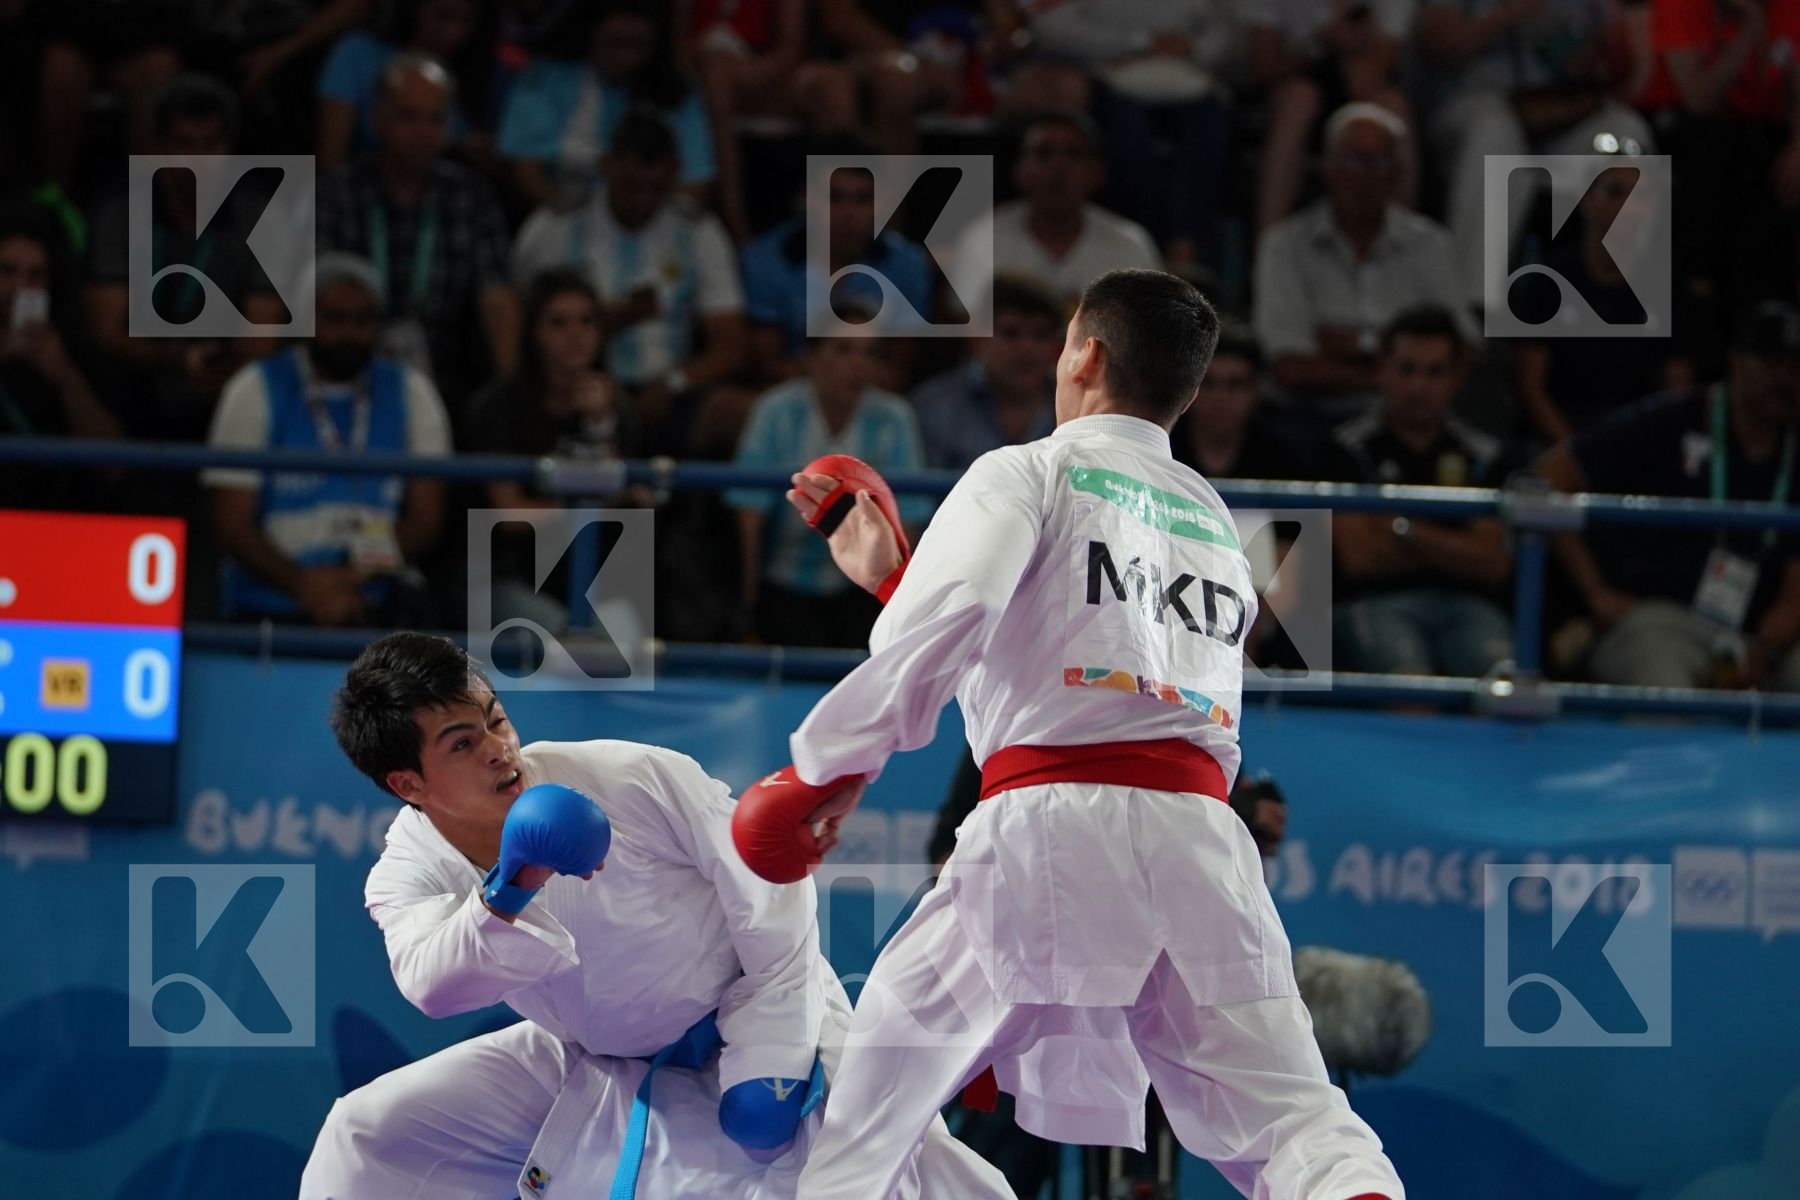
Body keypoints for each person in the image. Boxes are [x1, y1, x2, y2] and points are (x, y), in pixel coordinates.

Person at [735, 268, 1405, 1200]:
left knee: (869, 1117)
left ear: (1084, 355)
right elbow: (1085, 657)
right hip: (1201, 846)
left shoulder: (1026, 470)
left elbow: (964, 616)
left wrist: (830, 767)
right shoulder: (1215, 521)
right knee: (1292, 1116)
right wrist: (900, 582)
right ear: (1188, 393)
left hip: (1049, 830)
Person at [299, 630, 1014, 1200]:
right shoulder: (407, 869)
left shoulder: (623, 776)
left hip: (755, 1011)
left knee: (889, 1171)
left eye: (496, 720)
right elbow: (431, 983)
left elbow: (771, 887)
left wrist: (770, 1049)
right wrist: (511, 886)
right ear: (408, 784)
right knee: (366, 1134)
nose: (498, 750)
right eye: (462, 743)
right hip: (595, 1055)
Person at [1538, 301, 1800, 690]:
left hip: (1760, 637)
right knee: (1664, 679)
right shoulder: (1671, 420)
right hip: (1661, 618)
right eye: (1771, 363)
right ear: (1736, 362)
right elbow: (1548, 477)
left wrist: (1766, 645)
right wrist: (1596, 592)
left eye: (1796, 367)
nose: (1784, 379)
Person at [204, 254, 450, 627]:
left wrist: (350, 578)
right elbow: (231, 523)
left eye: (363, 320)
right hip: (272, 593)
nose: (348, 333)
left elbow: (426, 519)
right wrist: (304, 586)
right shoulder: (254, 387)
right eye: (334, 318)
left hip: (378, 591)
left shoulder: (412, 391)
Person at [513, 110, 746, 457]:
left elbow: (732, 343)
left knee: (741, 413)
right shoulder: (555, 228)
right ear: (607, 166)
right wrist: (606, 321)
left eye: (655, 188)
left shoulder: (699, 231)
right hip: (571, 389)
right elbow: (522, 324)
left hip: (670, 392)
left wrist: (674, 382)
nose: (642, 200)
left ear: (675, 172)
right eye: (630, 186)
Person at [316, 53, 519, 421]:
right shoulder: (336, 193)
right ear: (377, 119)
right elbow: (311, 298)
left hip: (443, 373)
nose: (423, 132)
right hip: (348, 363)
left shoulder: (471, 196)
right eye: (408, 117)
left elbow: (497, 297)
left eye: (436, 119)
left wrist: (514, 392)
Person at [85, 73, 287, 441]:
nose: (198, 160)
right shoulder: (119, 211)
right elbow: (106, 329)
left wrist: (213, 364)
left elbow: (262, 336)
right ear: (158, 147)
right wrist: (180, 358)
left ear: (229, 148)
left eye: (210, 145)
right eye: (184, 145)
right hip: (133, 389)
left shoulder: (262, 214)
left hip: (227, 386)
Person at [1417, 0, 1656, 308]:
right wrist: (1510, 13)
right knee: (1496, 133)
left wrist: (1594, 60)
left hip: (1556, 116)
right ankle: (1475, 305)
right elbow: (1441, 46)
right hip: (1473, 112)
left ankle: (1626, 292)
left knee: (1626, 131)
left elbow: (1619, 67)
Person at [1254, 102, 1474, 435]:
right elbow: (1288, 368)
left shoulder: (1431, 244)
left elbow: (1462, 349)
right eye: (1353, 159)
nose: (1365, 175)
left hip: (1409, 421)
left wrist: (1339, 345)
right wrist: (1401, 369)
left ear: (1396, 172)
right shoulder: (1283, 245)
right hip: (1309, 418)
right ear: (1327, 165)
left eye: (1379, 161)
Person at [1320, 305, 1514, 678]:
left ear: (1456, 377)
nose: (1419, 386)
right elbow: (1360, 557)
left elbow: (1493, 563)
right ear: (1383, 370)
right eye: (1407, 369)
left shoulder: (1484, 455)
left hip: (1469, 606)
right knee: (1408, 682)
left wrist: (1403, 530)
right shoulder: (1346, 449)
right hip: (1376, 603)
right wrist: (1454, 548)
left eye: (1434, 372)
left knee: (1502, 684)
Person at [727, 323, 929, 648]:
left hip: (863, 586)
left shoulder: (894, 417)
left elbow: (908, 519)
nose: (858, 364)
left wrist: (903, 611)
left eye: (870, 353)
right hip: (780, 582)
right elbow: (748, 517)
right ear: (812, 357)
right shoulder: (775, 411)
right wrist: (746, 614)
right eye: (843, 349)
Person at [1513, 155, 1691, 443]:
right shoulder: (1548, 280)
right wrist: (1577, 454)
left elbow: (1676, 391)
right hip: (1557, 440)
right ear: (1586, 200)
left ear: (1654, 208)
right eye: (1616, 192)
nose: (1628, 207)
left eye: (1640, 196)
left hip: (1635, 438)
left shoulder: (1666, 287)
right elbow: (1530, 387)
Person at [740, 133, 933, 388]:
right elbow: (768, 370)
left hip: (872, 398)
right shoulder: (764, 261)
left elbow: (897, 374)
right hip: (789, 397)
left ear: (881, 202)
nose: (847, 213)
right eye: (833, 197)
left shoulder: (908, 265)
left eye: (862, 199)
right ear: (806, 196)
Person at [498, 0, 715, 212]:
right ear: (591, 32)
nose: (625, 56)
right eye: (614, 42)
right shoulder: (545, 77)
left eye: (637, 44)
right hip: (565, 214)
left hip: (656, 222)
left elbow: (695, 184)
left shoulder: (678, 91)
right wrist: (580, 222)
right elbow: (528, 173)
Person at [949, 112, 1161, 311]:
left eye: (1073, 154)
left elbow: (1151, 330)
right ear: (1018, 171)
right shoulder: (981, 240)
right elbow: (970, 327)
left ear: (1097, 173)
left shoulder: (1131, 246)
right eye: (1043, 153)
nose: (1058, 167)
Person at [687, 0, 857, 242]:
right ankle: (735, 224)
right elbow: (678, 43)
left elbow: (790, 48)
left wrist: (750, 75)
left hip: (765, 78)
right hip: (706, 80)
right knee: (717, 79)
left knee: (833, 89)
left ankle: (847, 221)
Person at [1248, 0, 1418, 233]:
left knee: (1394, 105)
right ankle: (1269, 240)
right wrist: (1318, 43)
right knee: (1299, 100)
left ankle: (1400, 240)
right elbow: (1265, 69)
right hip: (1299, 87)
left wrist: (1349, 45)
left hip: (1363, 92)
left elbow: (1375, 70)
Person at [0, 207, 121, 510]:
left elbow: (115, 467)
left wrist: (64, 377)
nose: (20, 289)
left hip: (55, 516)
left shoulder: (75, 352)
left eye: (35, 276)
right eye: (7, 271)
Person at [316, 0, 496, 170]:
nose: (454, 32)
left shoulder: (477, 75)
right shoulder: (358, 54)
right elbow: (330, 159)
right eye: (442, 15)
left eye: (466, 20)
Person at [910, 274, 1061, 472]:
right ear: (979, 336)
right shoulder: (934, 407)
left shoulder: (1078, 409)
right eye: (1010, 333)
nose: (1026, 348)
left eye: (1040, 334)